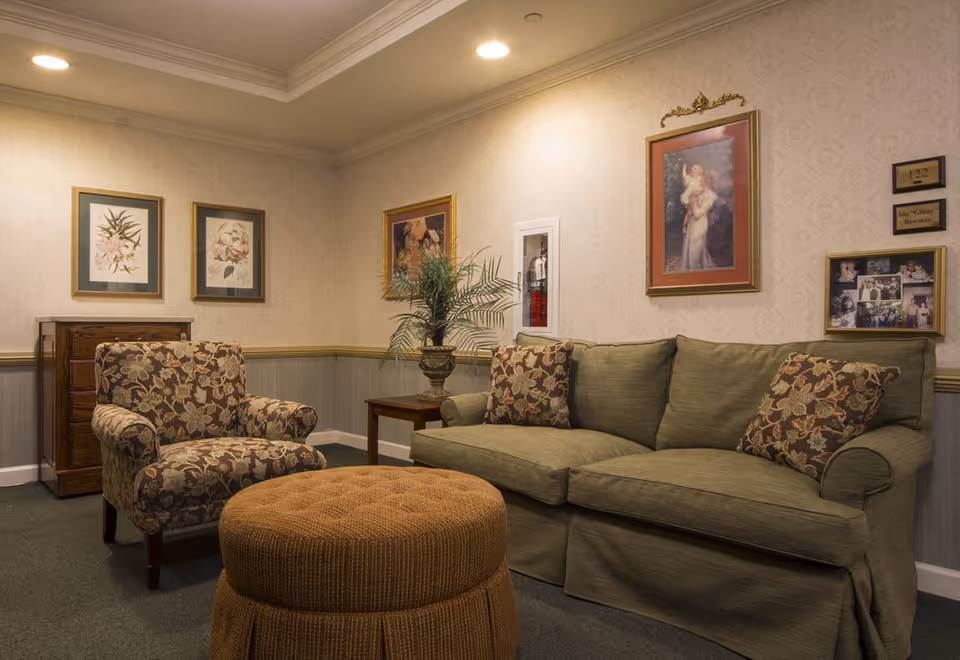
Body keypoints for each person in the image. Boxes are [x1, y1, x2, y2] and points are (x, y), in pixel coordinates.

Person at [678, 162, 718, 270]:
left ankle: (695, 266)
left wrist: (695, 203)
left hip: (699, 219)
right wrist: (684, 170)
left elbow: (699, 212)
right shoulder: (692, 183)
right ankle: (692, 266)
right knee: (690, 242)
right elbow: (686, 179)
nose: (692, 171)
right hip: (693, 217)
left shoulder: (706, 193)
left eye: (695, 169)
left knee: (696, 245)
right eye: (692, 169)